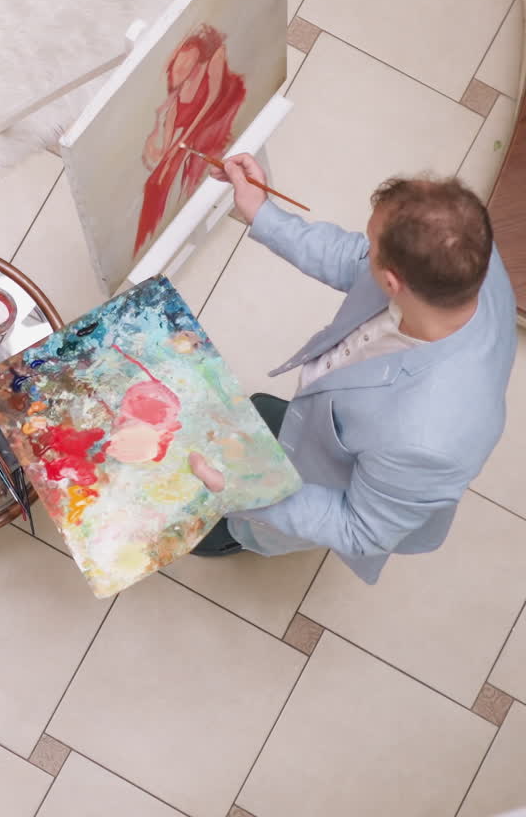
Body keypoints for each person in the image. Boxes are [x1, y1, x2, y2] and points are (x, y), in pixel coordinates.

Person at [190, 155, 517, 583]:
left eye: (373, 246)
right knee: (276, 423)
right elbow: (353, 260)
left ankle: (237, 535)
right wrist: (260, 211)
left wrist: (244, 495)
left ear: (394, 282)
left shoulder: (427, 442)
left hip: (324, 483)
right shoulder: (467, 256)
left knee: (250, 524)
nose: (364, 250)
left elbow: (357, 528)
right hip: (330, 419)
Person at [133, 25, 246, 257]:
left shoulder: (214, 57)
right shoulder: (176, 92)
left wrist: (179, 145)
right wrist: (164, 148)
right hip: (188, 115)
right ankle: (147, 244)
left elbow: (211, 102)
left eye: (187, 67)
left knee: (185, 174)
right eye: (179, 67)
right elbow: (171, 109)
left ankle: (167, 230)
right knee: (155, 182)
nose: (181, 72)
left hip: (214, 114)